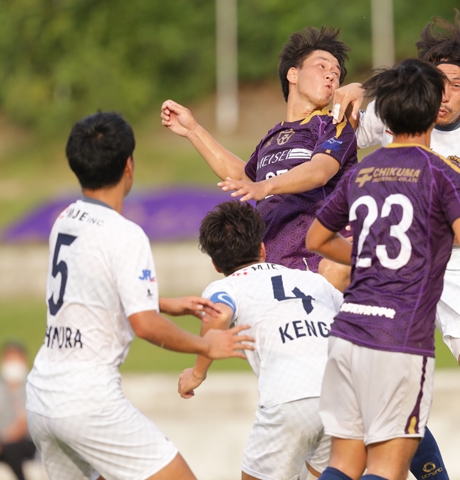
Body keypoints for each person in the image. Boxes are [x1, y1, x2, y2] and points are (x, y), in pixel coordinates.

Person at [332, 11, 460, 480]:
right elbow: (336, 139)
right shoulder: (394, 112)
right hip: (393, 258)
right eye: (439, 81)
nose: (446, 95)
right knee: (384, 377)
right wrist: (354, 94)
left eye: (456, 84)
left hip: (450, 264)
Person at [25, 111, 254, 480]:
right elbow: (145, 326)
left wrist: (161, 301)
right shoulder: (125, 234)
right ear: (128, 166)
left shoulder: (65, 218)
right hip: (89, 402)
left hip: (42, 398)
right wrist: (206, 347)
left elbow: (89, 288)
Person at [160, 27, 358, 283]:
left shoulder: (334, 124)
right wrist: (193, 130)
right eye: (322, 66)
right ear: (293, 74)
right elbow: (243, 176)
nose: (331, 75)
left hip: (318, 265)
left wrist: (265, 187)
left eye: (336, 72)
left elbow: (319, 171)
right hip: (273, 265)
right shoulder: (272, 137)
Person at [177, 201, 343, 480]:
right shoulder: (312, 281)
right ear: (263, 249)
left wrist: (196, 374)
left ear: (217, 265)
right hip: (342, 396)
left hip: (289, 398)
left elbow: (217, 317)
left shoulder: (225, 286)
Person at [0, 341, 36, 480]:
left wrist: (3, 441)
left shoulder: (32, 387)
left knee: (11, 450)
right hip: (3, 441)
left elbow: (23, 422)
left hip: (25, 441)